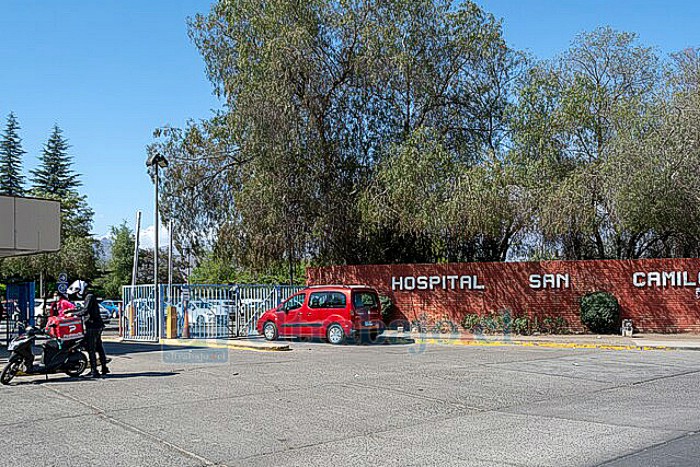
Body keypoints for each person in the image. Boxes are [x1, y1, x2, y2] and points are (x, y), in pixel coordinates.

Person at [67, 280, 110, 378]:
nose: (77, 295)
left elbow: (85, 311)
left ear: (80, 290)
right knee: (99, 346)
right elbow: (83, 309)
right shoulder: (89, 296)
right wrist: (72, 311)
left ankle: (94, 371)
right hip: (96, 325)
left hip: (93, 326)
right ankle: (104, 367)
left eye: (76, 293)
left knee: (91, 348)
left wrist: (72, 314)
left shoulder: (89, 297)